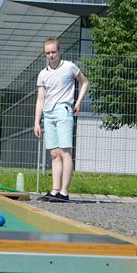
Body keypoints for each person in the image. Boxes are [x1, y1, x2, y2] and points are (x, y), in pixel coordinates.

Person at [33, 38, 89, 202]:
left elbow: (85, 82)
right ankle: (55, 190)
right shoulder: (43, 74)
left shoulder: (69, 67)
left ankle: (64, 193)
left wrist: (78, 102)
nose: (51, 55)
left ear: (59, 51)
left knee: (65, 152)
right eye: (48, 53)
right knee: (54, 153)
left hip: (63, 111)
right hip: (48, 114)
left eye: (53, 52)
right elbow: (40, 99)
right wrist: (37, 122)